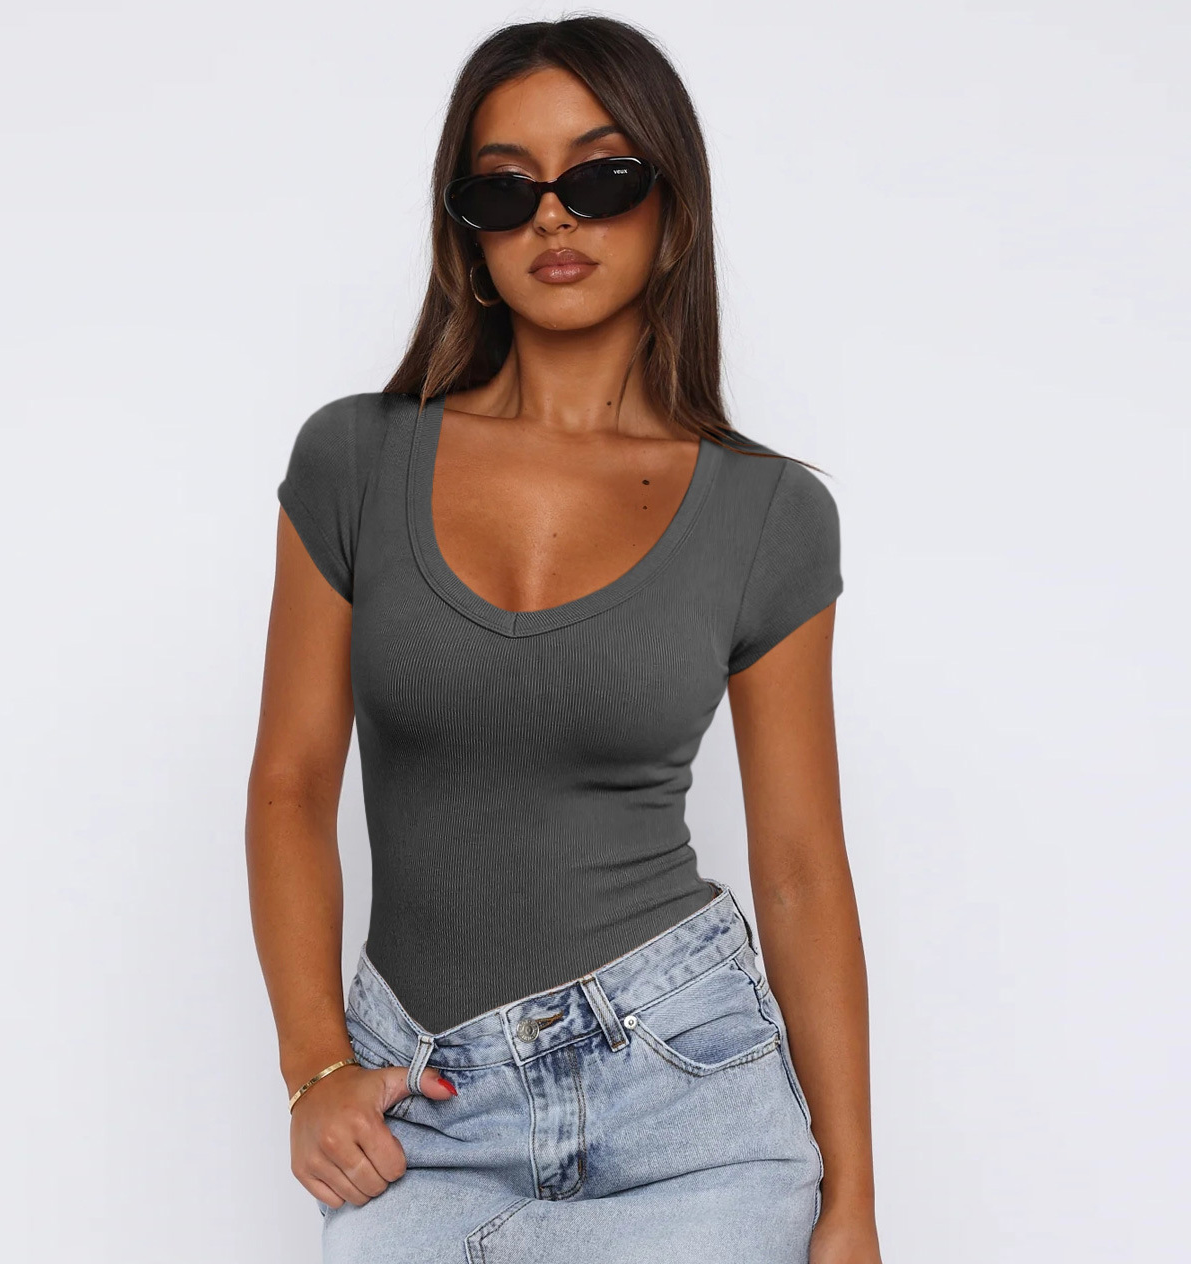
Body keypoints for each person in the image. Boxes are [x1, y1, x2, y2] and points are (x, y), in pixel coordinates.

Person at [247, 16, 880, 1264]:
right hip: (424, 1107)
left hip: (691, 1100)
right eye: (504, 186)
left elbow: (801, 866)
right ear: (469, 233)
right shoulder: (355, 460)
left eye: (598, 178)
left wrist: (851, 1205)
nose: (551, 215)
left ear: (669, 204)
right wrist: (313, 1062)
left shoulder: (767, 514)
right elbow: (289, 782)